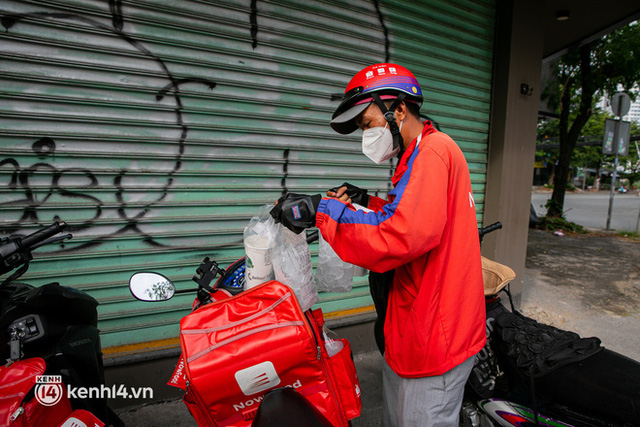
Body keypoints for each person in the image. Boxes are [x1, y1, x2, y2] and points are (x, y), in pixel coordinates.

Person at [270, 63, 486, 426]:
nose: (366, 135)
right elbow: (407, 213)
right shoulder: (417, 153)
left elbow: (402, 234)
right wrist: (365, 200)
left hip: (436, 334)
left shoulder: (433, 152)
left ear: (399, 109)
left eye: (367, 124)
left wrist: (322, 211)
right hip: (419, 324)